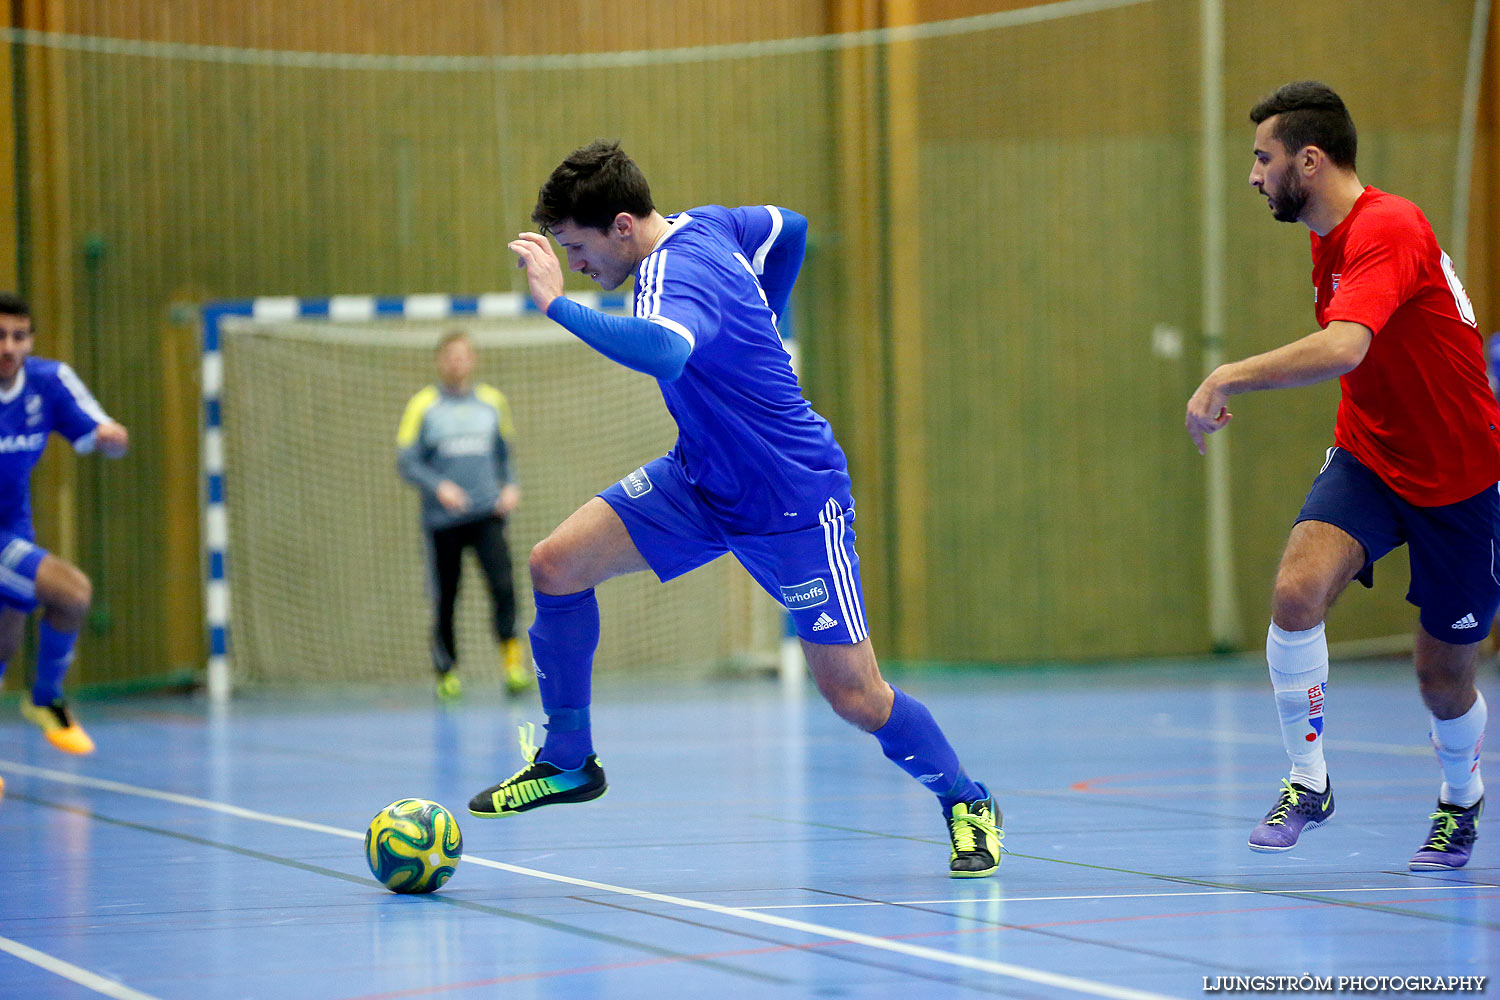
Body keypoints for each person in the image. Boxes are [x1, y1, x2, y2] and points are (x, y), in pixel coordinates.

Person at [466, 139, 1001, 879]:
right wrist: (767, 321)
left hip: (791, 501)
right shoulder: (710, 223)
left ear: (623, 226)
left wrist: (557, 303)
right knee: (555, 565)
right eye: (566, 254)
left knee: (853, 694)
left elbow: (664, 352)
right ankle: (566, 760)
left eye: (579, 248)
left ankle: (967, 800)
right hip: (702, 481)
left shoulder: (667, 276)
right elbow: (793, 227)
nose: (580, 265)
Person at [1186, 82, 1496, 870]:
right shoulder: (1328, 233)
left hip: (1460, 475)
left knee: (1441, 677)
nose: (1254, 175)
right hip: (1370, 453)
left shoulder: (1387, 225)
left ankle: (1460, 800)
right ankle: (1308, 781)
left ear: (1310, 161)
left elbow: (1345, 347)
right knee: (1296, 591)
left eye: (1264, 157)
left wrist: (1226, 376)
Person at [0, 292, 128, 765]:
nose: (8, 347)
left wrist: (111, 439)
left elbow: (101, 435)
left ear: (31, 340)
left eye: (18, 336)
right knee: (72, 591)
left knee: (4, 641)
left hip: (13, 528)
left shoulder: (47, 383)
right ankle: (47, 699)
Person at [397, 330, 529, 698]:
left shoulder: (491, 403)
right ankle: (447, 671)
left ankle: (513, 665)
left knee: (503, 587)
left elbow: (506, 453)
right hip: (443, 521)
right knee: (446, 595)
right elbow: (406, 461)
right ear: (440, 361)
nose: (457, 362)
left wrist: (510, 487)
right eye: (450, 355)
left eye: (463, 355)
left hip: (488, 514)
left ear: (473, 360)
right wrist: (439, 486)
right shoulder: (423, 406)